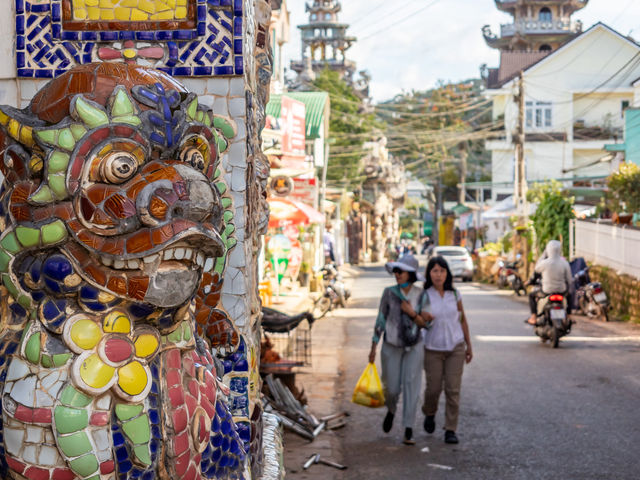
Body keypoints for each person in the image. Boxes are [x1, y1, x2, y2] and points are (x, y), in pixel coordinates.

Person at [368, 254, 426, 445]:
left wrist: (411, 313)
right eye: (395, 271)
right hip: (391, 346)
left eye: (400, 271)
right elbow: (381, 319)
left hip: (414, 346)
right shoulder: (389, 293)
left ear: (410, 274)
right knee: (391, 387)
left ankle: (408, 428)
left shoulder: (421, 295)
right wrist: (373, 345)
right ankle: (391, 409)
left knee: (412, 386)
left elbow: (426, 324)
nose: (397, 274)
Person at [418, 256, 473, 445]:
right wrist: (422, 317)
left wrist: (468, 345)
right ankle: (430, 412)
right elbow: (417, 319)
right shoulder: (424, 295)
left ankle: (451, 429)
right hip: (432, 348)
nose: (438, 275)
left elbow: (462, 319)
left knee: (452, 389)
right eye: (435, 270)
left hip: (455, 347)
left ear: (447, 273)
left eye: (442, 271)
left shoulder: (455, 294)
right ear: (429, 274)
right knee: (433, 389)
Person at [526, 240, 572, 325]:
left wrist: (530, 282)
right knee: (570, 295)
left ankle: (533, 316)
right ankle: (569, 316)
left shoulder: (544, 263)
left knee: (531, 295)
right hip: (561, 291)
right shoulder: (565, 263)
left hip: (546, 291)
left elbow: (535, 274)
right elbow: (569, 280)